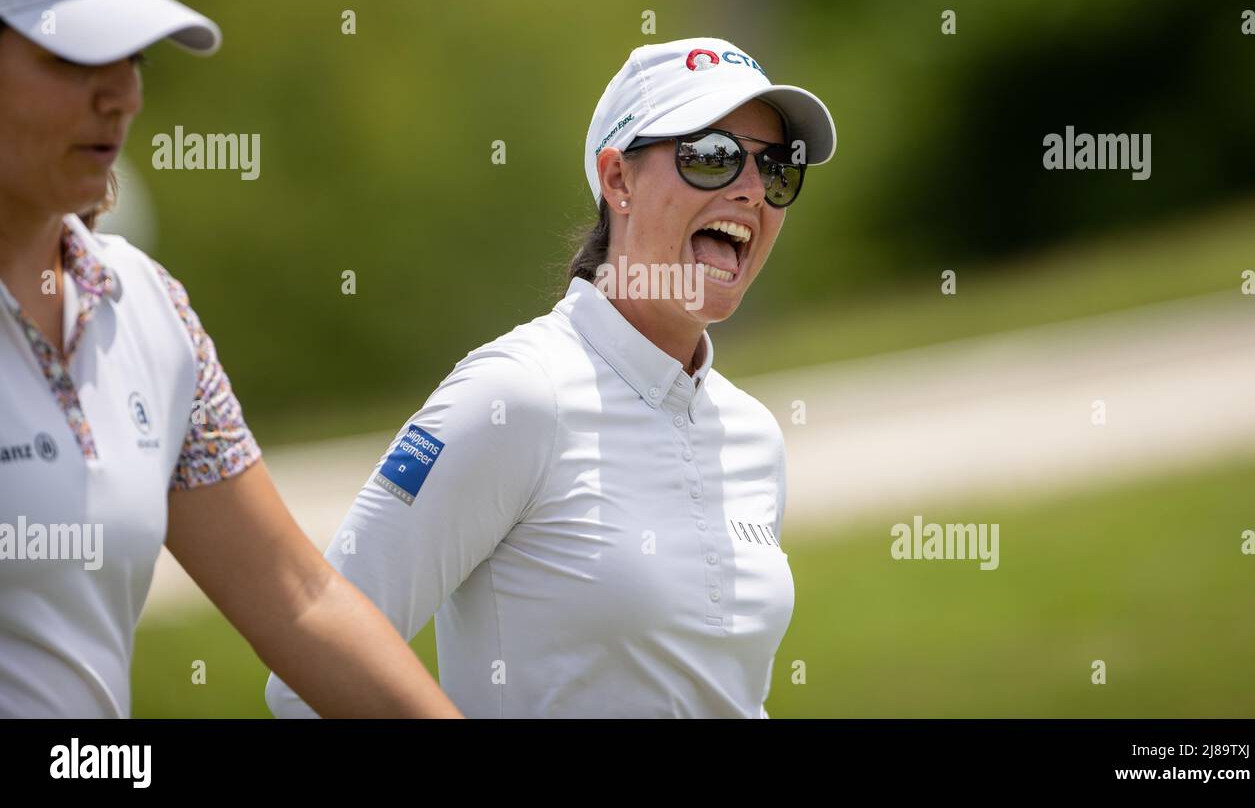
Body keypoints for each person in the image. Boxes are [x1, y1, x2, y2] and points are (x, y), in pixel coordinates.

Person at [0, 0, 461, 718]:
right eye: (75, 55)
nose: (125, 94)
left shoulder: (148, 307)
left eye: (132, 56)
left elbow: (297, 600)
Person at [266, 36, 836, 717]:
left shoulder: (753, 434)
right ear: (618, 180)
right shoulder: (515, 395)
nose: (750, 190)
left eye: (776, 170)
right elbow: (310, 668)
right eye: (712, 157)